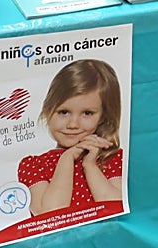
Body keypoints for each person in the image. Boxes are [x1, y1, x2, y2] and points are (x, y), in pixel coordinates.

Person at [18, 59, 123, 216]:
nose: (73, 124)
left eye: (87, 113)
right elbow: (48, 216)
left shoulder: (111, 157)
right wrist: (66, 159)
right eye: (63, 112)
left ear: (103, 117)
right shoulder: (34, 165)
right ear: (47, 110)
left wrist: (90, 166)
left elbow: (117, 208)